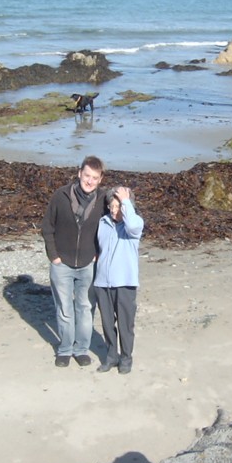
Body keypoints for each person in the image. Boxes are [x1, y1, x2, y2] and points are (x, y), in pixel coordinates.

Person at [41, 155, 106, 368]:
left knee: (85, 308)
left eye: (94, 178)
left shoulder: (103, 200)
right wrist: (54, 256)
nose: (89, 181)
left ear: (100, 179)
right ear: (79, 174)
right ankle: (65, 350)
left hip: (88, 264)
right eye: (87, 175)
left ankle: (81, 349)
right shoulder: (61, 196)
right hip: (62, 264)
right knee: (64, 309)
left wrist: (98, 253)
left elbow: (114, 226)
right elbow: (47, 227)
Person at [94, 186, 144, 375]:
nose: (114, 211)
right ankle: (111, 356)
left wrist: (125, 202)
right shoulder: (103, 222)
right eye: (111, 206)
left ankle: (126, 358)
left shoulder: (134, 224)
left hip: (125, 283)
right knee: (107, 324)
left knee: (125, 324)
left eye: (118, 206)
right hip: (102, 282)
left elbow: (133, 226)